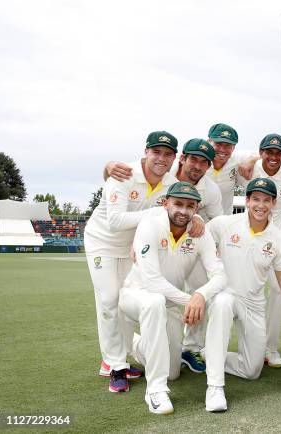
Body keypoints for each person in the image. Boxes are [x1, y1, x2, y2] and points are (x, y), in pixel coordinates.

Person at [118, 182, 226, 414]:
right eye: (178, 204)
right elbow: (151, 281)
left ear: (196, 208)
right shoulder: (149, 226)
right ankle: (155, 390)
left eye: (190, 206)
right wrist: (189, 300)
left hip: (171, 303)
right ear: (166, 203)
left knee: (173, 373)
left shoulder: (199, 233)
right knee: (154, 302)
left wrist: (200, 294)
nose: (183, 211)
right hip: (136, 294)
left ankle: (137, 344)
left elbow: (220, 275)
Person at [84, 131, 179, 392]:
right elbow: (115, 222)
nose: (161, 158)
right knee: (108, 299)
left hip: (131, 246)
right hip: (101, 242)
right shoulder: (123, 175)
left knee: (125, 301)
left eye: (168, 154)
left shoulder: (171, 183)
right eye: (156, 152)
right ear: (146, 152)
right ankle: (115, 365)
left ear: (174, 158)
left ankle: (117, 358)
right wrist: (159, 212)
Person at [203, 178, 281, 412]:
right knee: (222, 302)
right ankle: (215, 387)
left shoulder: (278, 239)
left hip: (253, 303)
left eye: (266, 200)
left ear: (274, 203)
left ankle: (209, 353)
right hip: (225, 295)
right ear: (247, 201)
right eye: (256, 199)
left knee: (251, 371)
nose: (260, 205)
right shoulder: (224, 224)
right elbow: (197, 233)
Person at [236, 134, 281, 368]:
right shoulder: (247, 169)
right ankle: (250, 345)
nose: (273, 157)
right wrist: (250, 160)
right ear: (260, 152)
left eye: (278, 153)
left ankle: (271, 348)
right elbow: (225, 157)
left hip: (278, 240)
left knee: (278, 291)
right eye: (268, 152)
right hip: (249, 240)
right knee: (249, 290)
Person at [103, 137, 223, 222]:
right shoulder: (164, 168)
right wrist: (109, 166)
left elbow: (217, 220)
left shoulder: (211, 190)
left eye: (203, 162)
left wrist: (197, 219)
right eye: (193, 159)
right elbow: (143, 165)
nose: (197, 166)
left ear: (209, 166)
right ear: (182, 158)